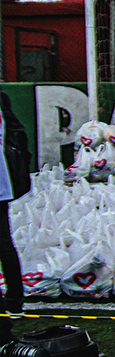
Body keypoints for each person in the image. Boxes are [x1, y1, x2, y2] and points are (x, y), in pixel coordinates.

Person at [0, 89, 24, 345]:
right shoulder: (2, 100)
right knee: (5, 243)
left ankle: (13, 302)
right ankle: (15, 302)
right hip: (3, 181)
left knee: (5, 244)